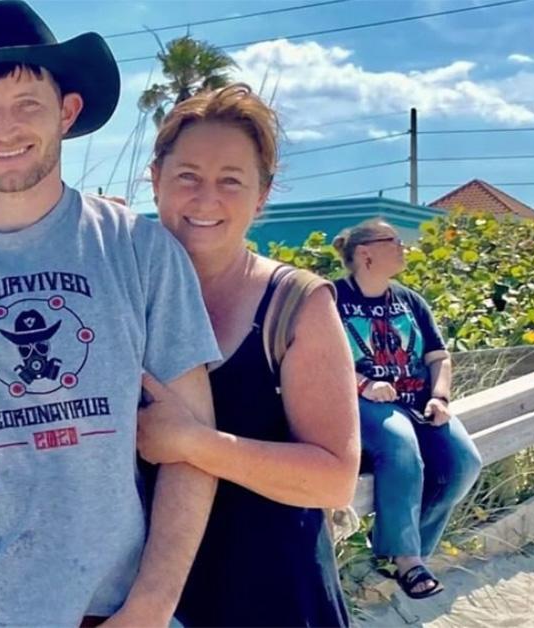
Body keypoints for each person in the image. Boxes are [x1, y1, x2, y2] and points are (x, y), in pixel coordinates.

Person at [0, 2, 221, 626]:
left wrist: (152, 606)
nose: (6, 128)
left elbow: (194, 446)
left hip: (105, 606)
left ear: (67, 111)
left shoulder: (138, 250)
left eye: (28, 103)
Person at [135, 84, 361, 626]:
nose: (206, 198)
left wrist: (192, 443)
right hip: (136, 598)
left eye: (230, 181)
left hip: (275, 594)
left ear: (261, 195)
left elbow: (334, 479)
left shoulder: (295, 305)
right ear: (156, 180)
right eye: (187, 176)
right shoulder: (117, 298)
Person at [331, 218, 482, 599]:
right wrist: (364, 383)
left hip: (420, 401)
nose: (404, 247)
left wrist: (440, 397)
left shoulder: (409, 299)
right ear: (365, 253)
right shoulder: (330, 298)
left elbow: (438, 357)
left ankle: (404, 548)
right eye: (394, 241)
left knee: (465, 463)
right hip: (360, 402)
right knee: (400, 444)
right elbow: (315, 359)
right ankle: (406, 559)